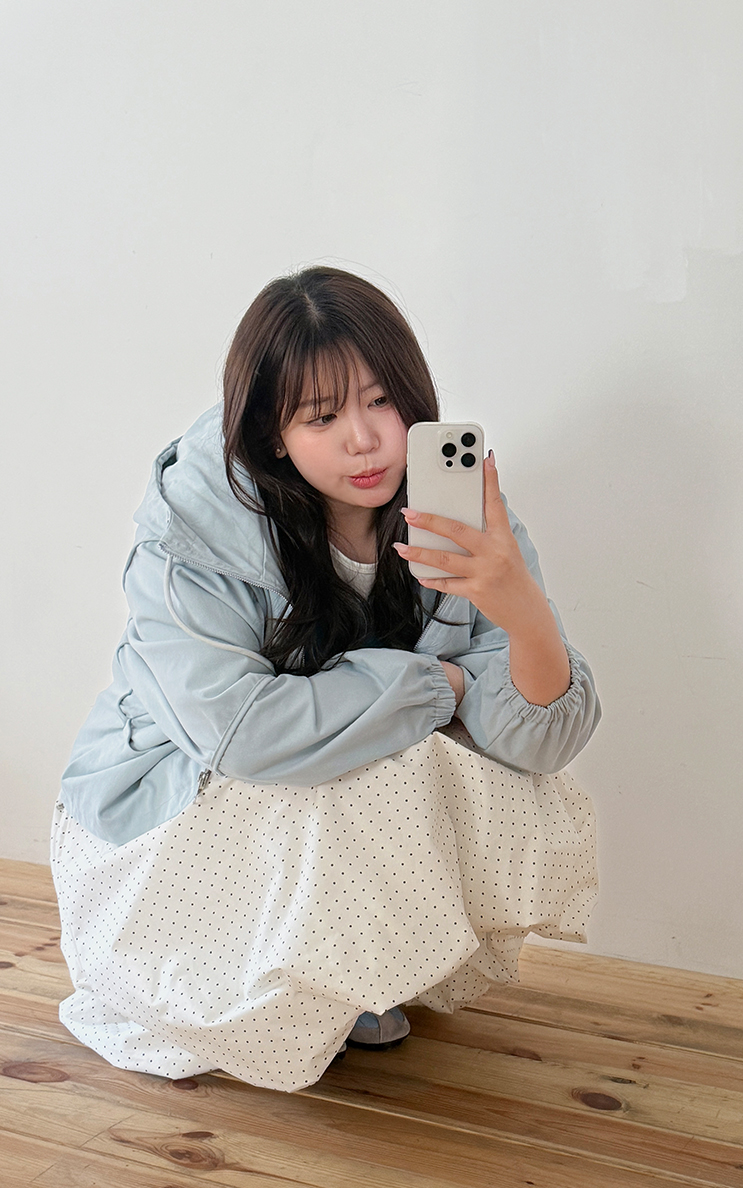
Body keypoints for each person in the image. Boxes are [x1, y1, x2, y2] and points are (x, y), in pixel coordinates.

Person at [51, 266, 601, 1093]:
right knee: (350, 767)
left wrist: (523, 611)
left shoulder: (455, 511)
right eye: (323, 415)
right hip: (172, 812)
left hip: (304, 806)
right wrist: (441, 687)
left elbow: (541, 747)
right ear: (273, 433)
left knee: (469, 772)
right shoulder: (193, 531)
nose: (364, 439)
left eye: (383, 402)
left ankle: (348, 982)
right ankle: (261, 985)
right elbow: (244, 734)